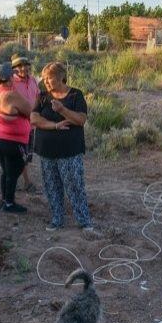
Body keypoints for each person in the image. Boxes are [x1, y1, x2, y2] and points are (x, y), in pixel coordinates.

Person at [30, 62, 93, 231]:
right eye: (44, 79)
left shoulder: (75, 95)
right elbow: (34, 119)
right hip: (46, 151)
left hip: (70, 151)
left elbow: (80, 120)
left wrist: (62, 110)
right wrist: (55, 126)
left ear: (60, 77)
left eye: (49, 78)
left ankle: (84, 221)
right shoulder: (42, 96)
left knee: (75, 185)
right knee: (52, 186)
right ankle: (57, 219)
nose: (46, 82)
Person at [0, 63, 34, 213]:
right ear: (9, 78)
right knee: (14, 172)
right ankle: (9, 204)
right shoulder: (12, 95)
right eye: (12, 76)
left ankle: (5, 200)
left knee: (6, 172)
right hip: (12, 141)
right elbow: (30, 112)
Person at [11, 54, 40, 192]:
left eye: (26, 65)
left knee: (27, 155)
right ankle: (27, 182)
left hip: (32, 124)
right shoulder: (11, 84)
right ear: (14, 69)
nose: (24, 68)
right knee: (20, 155)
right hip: (18, 125)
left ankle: (15, 178)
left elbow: (38, 97)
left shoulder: (33, 80)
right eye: (20, 66)